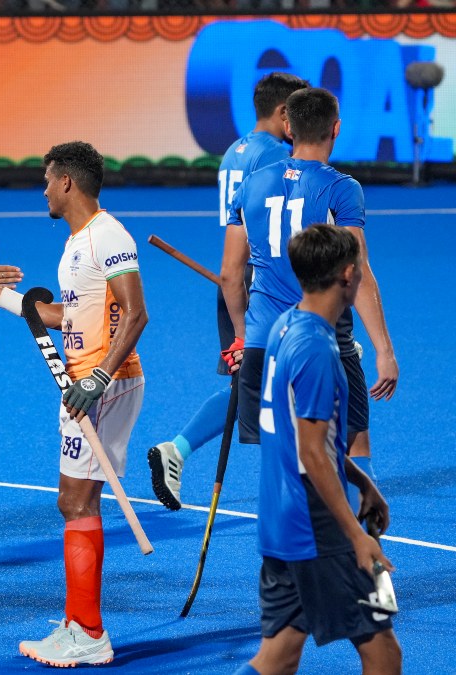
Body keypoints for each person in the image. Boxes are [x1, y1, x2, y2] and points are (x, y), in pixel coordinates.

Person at [0, 142, 147, 667]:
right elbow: (65, 316)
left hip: (101, 385)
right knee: (78, 503)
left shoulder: (107, 237)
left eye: (48, 180)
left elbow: (136, 312)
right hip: (90, 385)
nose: (45, 190)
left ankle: (88, 632)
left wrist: (97, 378)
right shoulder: (79, 242)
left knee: (75, 503)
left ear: (68, 183)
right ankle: (81, 624)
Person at [219, 87, 398, 514]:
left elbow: (230, 275)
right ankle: (363, 552)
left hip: (263, 341)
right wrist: (384, 350)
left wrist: (242, 337)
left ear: (288, 127)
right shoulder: (341, 189)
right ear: (336, 128)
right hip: (322, 337)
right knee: (353, 439)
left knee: (279, 450)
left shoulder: (252, 184)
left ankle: (287, 556)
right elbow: (358, 272)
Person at [232, 223, 399, 675]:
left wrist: (361, 480)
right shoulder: (318, 349)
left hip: (280, 518)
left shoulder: (287, 326)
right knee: (384, 651)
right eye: (361, 268)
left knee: (279, 655)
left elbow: (301, 436)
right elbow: (311, 452)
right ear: (348, 274)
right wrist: (355, 536)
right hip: (316, 527)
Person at [149, 72, 309, 511]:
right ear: (283, 113)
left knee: (248, 387)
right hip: (266, 290)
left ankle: (177, 450)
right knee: (281, 388)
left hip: (235, 285)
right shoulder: (278, 156)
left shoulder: (233, 153)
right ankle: (293, 491)